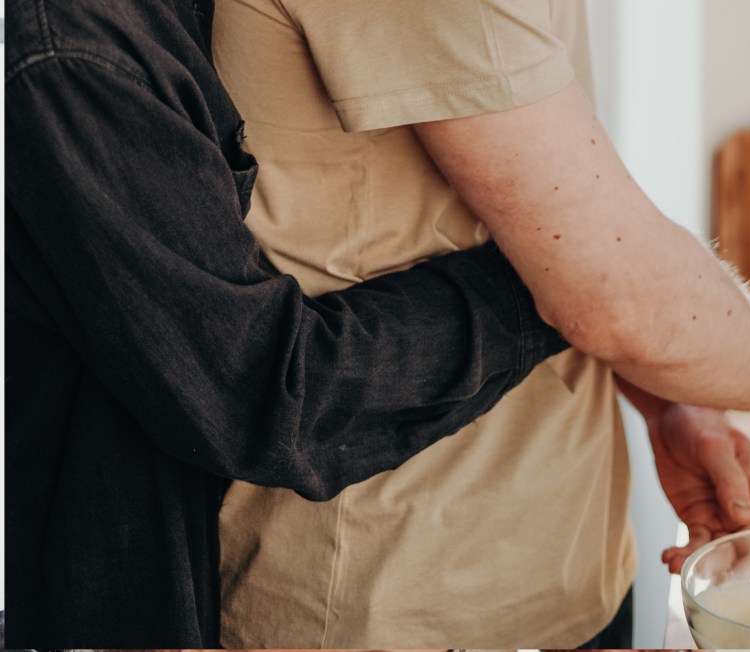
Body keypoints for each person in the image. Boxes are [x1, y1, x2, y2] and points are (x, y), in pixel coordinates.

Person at [211, 0, 750, 648]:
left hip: (549, 566)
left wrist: (667, 387)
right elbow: (609, 297)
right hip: (401, 595)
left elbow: (538, 219)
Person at [3, 0, 578, 647]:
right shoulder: (67, 53)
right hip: (94, 601)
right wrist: (564, 279)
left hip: (525, 547)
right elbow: (265, 392)